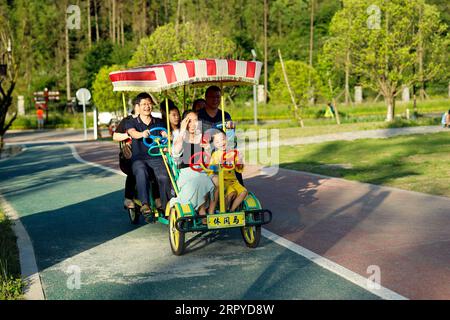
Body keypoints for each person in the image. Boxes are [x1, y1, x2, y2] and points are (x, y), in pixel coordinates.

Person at [125, 93, 172, 215]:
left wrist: (166, 136)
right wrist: (142, 134)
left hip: (156, 157)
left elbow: (164, 133)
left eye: (149, 104)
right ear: (138, 106)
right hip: (139, 159)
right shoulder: (132, 122)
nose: (147, 106)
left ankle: (166, 205)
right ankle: (145, 204)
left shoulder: (159, 122)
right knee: (141, 171)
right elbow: (132, 133)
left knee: (164, 176)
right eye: (144, 104)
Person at [170, 111, 217, 219]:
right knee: (200, 179)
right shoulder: (180, 137)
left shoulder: (201, 137)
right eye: (189, 121)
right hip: (186, 173)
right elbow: (176, 152)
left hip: (202, 170)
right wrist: (182, 130)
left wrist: (208, 149)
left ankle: (211, 210)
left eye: (195, 120)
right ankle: (201, 211)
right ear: (184, 122)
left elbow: (207, 161)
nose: (192, 124)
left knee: (215, 179)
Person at [209, 130, 247, 212]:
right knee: (231, 193)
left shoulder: (233, 153)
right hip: (223, 181)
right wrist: (217, 166)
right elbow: (211, 170)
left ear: (226, 139)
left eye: (223, 139)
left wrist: (240, 160)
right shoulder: (215, 155)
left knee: (244, 192)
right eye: (217, 142)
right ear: (214, 144)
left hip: (233, 181)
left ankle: (232, 210)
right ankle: (224, 211)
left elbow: (239, 169)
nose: (221, 143)